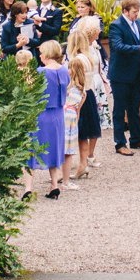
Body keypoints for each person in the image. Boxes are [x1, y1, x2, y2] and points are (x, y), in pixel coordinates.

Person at [108, 0, 140, 154]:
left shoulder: (139, 24)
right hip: (120, 74)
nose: (137, 15)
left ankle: (136, 139)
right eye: (134, 12)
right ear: (125, 11)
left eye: (138, 12)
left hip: (136, 73)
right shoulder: (116, 26)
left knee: (134, 108)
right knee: (120, 110)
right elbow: (119, 47)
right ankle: (120, 143)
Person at [68, 15, 107, 178]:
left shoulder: (76, 60)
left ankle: (82, 163)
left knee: (81, 133)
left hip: (81, 96)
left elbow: (76, 83)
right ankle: (83, 163)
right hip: (90, 94)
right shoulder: (88, 57)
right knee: (84, 133)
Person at [30, 40, 70, 199]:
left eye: (41, 52)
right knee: (54, 147)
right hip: (59, 114)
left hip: (43, 113)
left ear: (46, 54)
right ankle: (54, 185)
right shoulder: (64, 70)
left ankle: (28, 187)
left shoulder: (41, 71)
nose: (39, 55)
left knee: (33, 148)